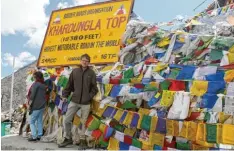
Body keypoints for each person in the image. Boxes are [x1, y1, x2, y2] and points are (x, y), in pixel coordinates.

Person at [58, 54, 98, 149]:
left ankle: (83, 141)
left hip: (86, 103)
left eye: (87, 61)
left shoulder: (91, 73)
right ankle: (68, 138)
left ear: (89, 63)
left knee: (83, 122)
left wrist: (89, 97)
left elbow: (94, 88)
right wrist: (65, 95)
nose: (85, 62)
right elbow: (69, 85)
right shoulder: (75, 72)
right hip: (74, 101)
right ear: (80, 61)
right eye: (83, 60)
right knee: (67, 120)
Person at [28, 71, 46, 141]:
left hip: (36, 106)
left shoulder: (36, 84)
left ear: (36, 77)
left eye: (34, 76)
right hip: (42, 105)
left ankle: (34, 136)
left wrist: (30, 104)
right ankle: (39, 135)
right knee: (39, 120)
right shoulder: (43, 85)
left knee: (32, 122)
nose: (33, 77)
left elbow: (32, 96)